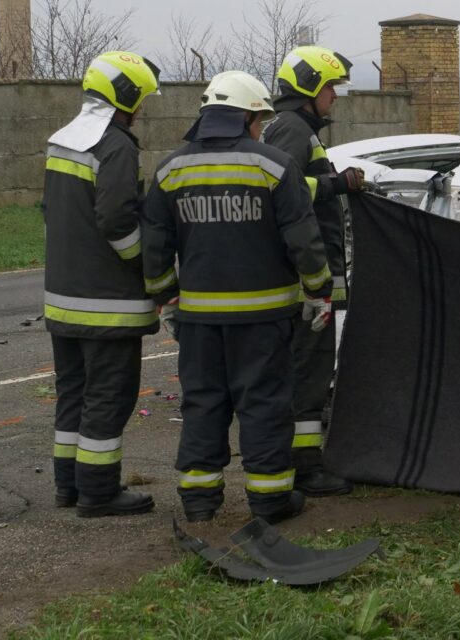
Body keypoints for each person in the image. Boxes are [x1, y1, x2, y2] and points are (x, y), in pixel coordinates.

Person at [141, 70, 334, 524]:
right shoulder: (273, 166)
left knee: (203, 403)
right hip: (265, 318)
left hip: (199, 320)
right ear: (249, 116)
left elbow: (154, 245)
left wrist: (165, 296)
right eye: (259, 119)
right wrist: (319, 289)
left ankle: (199, 501)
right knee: (264, 404)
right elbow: (303, 240)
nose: (261, 127)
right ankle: (270, 501)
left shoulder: (170, 169)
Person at [42, 51, 162, 518]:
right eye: (141, 98)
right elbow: (118, 223)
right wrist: (148, 269)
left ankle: (67, 486)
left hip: (63, 301)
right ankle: (98, 491)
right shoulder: (115, 147)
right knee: (108, 398)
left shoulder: (62, 141)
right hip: (107, 305)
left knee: (73, 393)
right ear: (125, 95)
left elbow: (53, 213)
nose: (142, 109)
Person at [261, 46, 363, 497]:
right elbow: (275, 185)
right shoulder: (291, 130)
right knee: (310, 371)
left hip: (312, 280)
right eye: (329, 88)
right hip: (306, 284)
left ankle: (302, 461)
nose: (335, 97)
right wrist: (335, 184)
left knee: (311, 369)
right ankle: (305, 467)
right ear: (308, 89)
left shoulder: (298, 129)